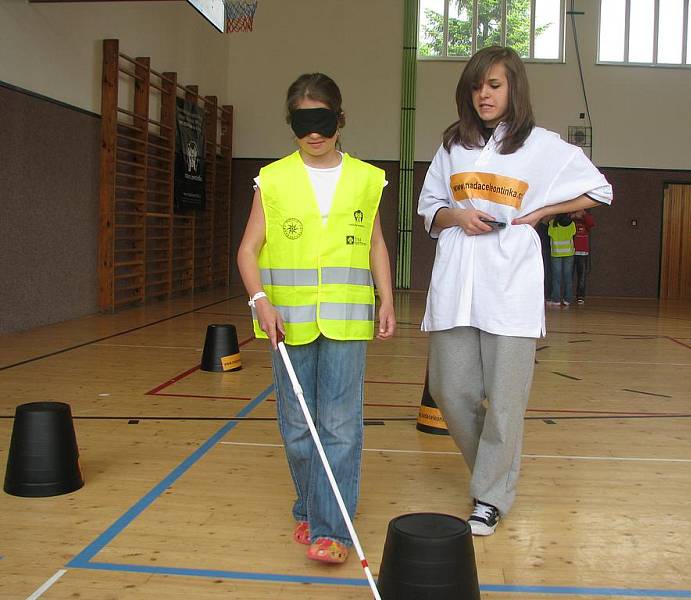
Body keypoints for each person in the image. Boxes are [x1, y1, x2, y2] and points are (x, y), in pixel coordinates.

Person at [417, 46, 612, 536]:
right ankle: (494, 472)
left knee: (505, 401)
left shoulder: (541, 146)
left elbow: (600, 189)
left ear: (513, 89)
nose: (484, 93)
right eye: (477, 85)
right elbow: (429, 209)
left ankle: (490, 496)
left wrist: (542, 212)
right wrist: (456, 215)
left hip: (511, 287)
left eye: (495, 85)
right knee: (449, 389)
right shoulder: (452, 146)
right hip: (456, 282)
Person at [237, 73, 396, 564]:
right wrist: (259, 300)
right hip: (287, 321)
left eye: (322, 121)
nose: (314, 133)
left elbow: (374, 244)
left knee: (340, 424)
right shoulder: (274, 178)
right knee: (298, 426)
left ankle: (333, 528)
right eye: (304, 122)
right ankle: (309, 503)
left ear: (340, 120)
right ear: (292, 124)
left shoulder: (367, 179)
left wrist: (386, 298)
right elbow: (248, 249)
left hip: (348, 320)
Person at [547, 213, 576, 306]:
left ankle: (556, 300)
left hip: (556, 253)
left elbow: (549, 234)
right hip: (569, 253)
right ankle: (567, 299)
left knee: (556, 278)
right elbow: (573, 234)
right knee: (568, 277)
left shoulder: (552, 224)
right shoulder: (572, 224)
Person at [570, 208, 595, 303]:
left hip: (583, 252)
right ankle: (567, 295)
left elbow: (591, 223)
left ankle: (580, 296)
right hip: (570, 251)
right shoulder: (571, 220)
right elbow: (563, 221)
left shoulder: (585, 221)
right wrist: (572, 215)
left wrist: (583, 213)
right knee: (569, 276)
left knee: (582, 276)